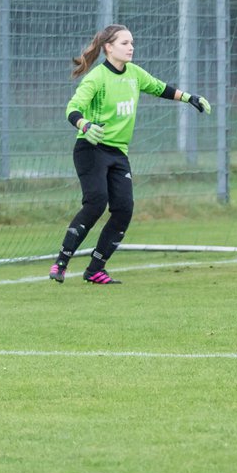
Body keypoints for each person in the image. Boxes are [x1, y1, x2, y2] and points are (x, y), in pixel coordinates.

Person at [49, 25, 212, 285]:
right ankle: (61, 262)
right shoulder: (97, 78)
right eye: (125, 43)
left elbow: (161, 88)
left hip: (117, 153)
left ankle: (95, 269)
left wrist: (190, 98)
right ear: (108, 47)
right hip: (91, 149)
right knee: (96, 202)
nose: (131, 47)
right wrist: (85, 125)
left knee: (124, 209)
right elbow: (73, 108)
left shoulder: (134, 74)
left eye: (132, 42)